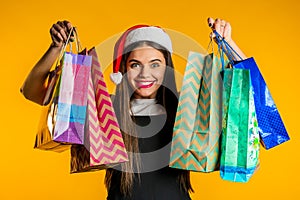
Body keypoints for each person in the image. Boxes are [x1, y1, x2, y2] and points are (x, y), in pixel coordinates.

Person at [21, 18, 246, 200]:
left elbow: (244, 98)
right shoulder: (105, 110)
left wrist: (229, 43)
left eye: (155, 64)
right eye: (135, 65)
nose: (145, 74)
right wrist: (56, 47)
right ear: (124, 70)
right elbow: (32, 92)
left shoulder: (185, 109)